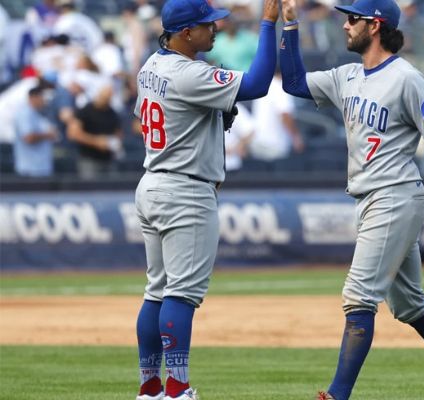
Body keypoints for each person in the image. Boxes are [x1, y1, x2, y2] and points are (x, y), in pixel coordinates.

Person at [278, 0, 424, 399]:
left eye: (352, 19)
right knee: (412, 306)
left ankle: (338, 394)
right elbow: (293, 83)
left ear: (375, 26)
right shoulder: (346, 75)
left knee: (358, 296)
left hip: (395, 196)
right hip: (371, 198)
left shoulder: (406, 78)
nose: (345, 24)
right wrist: (289, 27)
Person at [132, 0, 278, 399]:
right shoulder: (188, 73)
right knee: (180, 294)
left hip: (153, 181)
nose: (214, 29)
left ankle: (150, 388)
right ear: (184, 33)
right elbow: (258, 85)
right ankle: (177, 389)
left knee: (156, 291)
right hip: (185, 189)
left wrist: (212, 117)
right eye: (205, 25)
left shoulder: (151, 66)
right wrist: (268, 25)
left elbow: (157, 114)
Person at [66, 83, 123, 178]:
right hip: (89, 159)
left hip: (108, 159)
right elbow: (72, 133)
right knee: (90, 190)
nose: (106, 100)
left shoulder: (113, 113)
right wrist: (96, 141)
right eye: (104, 97)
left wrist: (114, 143)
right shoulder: (85, 111)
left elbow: (118, 133)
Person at [248, 69, 304, 161]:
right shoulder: (280, 87)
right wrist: (296, 138)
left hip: (258, 143)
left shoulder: (264, 85)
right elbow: (285, 115)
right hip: (274, 145)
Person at [13, 85, 58, 177]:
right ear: (33, 98)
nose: (44, 101)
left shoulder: (38, 114)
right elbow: (29, 138)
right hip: (29, 170)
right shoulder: (24, 114)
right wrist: (48, 135)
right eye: (42, 97)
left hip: (41, 169)